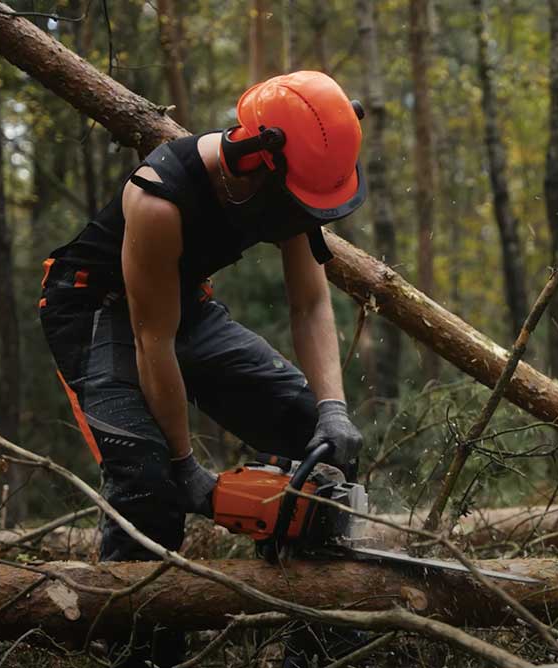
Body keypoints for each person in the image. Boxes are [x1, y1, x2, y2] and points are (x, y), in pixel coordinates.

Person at [38, 71, 366, 666]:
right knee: (147, 472)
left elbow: (310, 303)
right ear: (258, 161)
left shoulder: (292, 183)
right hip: (95, 310)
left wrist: (332, 409)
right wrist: (187, 467)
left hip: (182, 302)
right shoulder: (160, 196)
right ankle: (145, 651)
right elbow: (151, 339)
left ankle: (321, 634)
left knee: (307, 426)